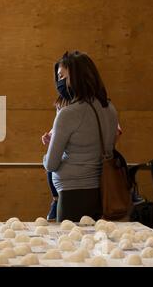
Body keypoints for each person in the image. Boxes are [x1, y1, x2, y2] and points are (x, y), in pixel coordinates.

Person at [43, 51, 118, 222]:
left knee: (72, 246)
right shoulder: (110, 108)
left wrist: (46, 155)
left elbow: (51, 164)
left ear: (76, 76)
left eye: (62, 76)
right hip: (103, 190)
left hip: (73, 194)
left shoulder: (69, 113)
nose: (59, 82)